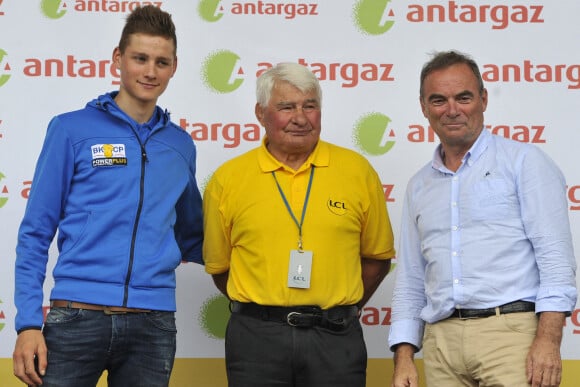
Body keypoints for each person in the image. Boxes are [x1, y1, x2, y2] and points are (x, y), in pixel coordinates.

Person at [12, 5, 203, 387]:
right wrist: (29, 323)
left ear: (174, 67)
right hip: (77, 317)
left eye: (161, 62)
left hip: (153, 324)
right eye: (140, 58)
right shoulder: (71, 130)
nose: (150, 71)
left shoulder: (180, 146)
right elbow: (35, 231)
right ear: (119, 59)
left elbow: (194, 235)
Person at [388, 50, 577, 387]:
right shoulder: (419, 185)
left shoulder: (524, 162)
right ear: (423, 107)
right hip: (440, 342)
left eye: (463, 97)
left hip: (512, 337)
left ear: (483, 99)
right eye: (438, 100)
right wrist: (404, 356)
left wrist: (548, 341)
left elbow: (555, 261)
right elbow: (411, 280)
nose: (452, 110)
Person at [202, 62, 396, 387]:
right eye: (286, 107)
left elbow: (377, 258)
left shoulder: (357, 171)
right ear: (261, 114)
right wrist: (265, 310)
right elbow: (221, 268)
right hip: (256, 340)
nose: (301, 118)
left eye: (310, 106)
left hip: (335, 339)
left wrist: (334, 312)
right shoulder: (228, 179)